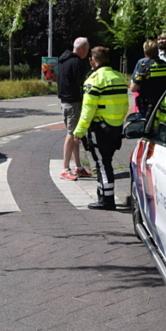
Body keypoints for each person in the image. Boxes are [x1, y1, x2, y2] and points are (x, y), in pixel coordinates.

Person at [73, 47, 129, 210]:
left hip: (100, 129)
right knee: (106, 161)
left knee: (102, 164)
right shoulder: (119, 77)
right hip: (115, 128)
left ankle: (107, 200)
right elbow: (125, 105)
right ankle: (103, 195)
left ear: (92, 60)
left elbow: (87, 110)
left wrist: (79, 131)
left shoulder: (94, 80)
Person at [55, 37, 92, 181]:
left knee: (76, 134)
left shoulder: (63, 60)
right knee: (71, 134)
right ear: (82, 49)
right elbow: (82, 83)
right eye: (87, 50)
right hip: (74, 102)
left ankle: (79, 166)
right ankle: (65, 168)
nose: (87, 53)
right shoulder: (77, 62)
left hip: (65, 101)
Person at [129, 39, 166, 119]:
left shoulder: (143, 65)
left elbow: (133, 88)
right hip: (163, 103)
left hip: (147, 104)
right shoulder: (165, 65)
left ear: (145, 52)